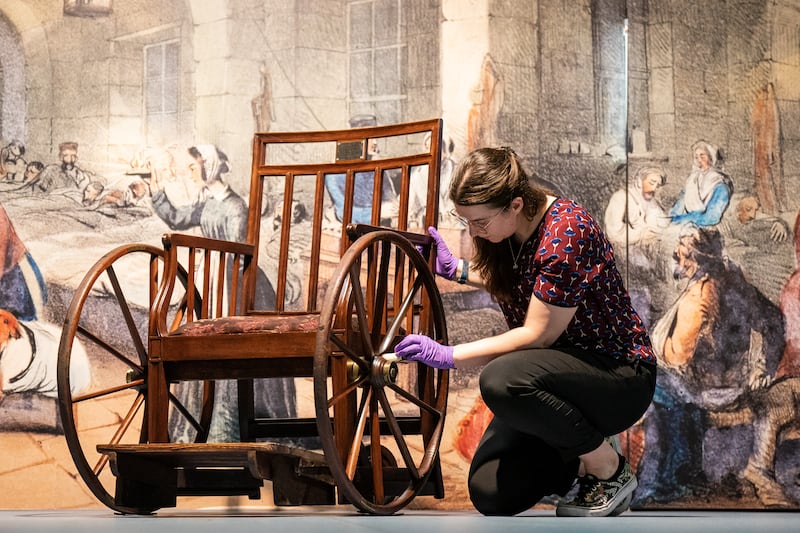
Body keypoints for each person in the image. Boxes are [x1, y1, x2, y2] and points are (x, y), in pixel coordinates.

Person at [394, 147, 657, 517]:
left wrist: (448, 355)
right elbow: (524, 283)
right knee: (490, 492)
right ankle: (579, 456)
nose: (474, 231)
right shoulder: (508, 233)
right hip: (557, 380)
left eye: (480, 222)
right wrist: (458, 271)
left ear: (515, 204)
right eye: (466, 220)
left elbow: (538, 334)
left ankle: (608, 470)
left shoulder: (566, 232)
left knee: (501, 379)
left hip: (617, 375)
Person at [148, 144, 293, 442]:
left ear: (208, 166)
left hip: (238, 284)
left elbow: (241, 252)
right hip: (214, 279)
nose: (189, 173)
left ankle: (228, 429)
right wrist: (156, 190)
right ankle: (199, 424)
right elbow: (176, 218)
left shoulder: (236, 207)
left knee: (227, 343)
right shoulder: (207, 203)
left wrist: (216, 276)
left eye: (193, 167)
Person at [638, 224, 783, 503]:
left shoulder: (701, 296)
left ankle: (666, 480)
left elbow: (676, 358)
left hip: (707, 389)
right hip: (730, 382)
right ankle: (682, 474)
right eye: (677, 255)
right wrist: (765, 368)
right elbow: (774, 320)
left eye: (683, 257)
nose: (678, 262)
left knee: (649, 383)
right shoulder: (737, 284)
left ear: (701, 259)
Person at [669, 140, 733, 227]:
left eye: (702, 156)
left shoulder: (720, 184)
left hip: (709, 228)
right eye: (696, 157)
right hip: (686, 225)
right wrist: (673, 218)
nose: (699, 160)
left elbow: (712, 217)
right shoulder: (691, 181)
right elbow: (679, 206)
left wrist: (684, 219)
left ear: (711, 158)